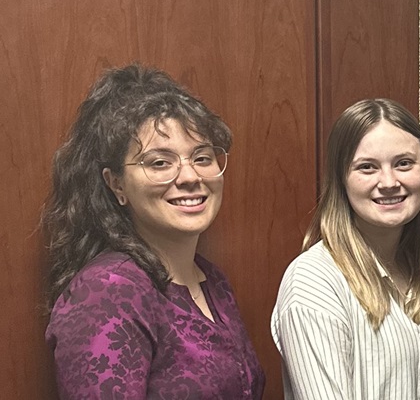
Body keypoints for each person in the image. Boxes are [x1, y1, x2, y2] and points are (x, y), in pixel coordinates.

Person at [43, 64, 264, 398]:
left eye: (202, 158)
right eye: (160, 162)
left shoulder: (212, 280)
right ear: (116, 183)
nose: (190, 176)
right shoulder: (107, 292)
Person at [271, 98, 420, 399]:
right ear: (341, 180)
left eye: (404, 163)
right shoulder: (314, 281)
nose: (389, 182)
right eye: (367, 167)